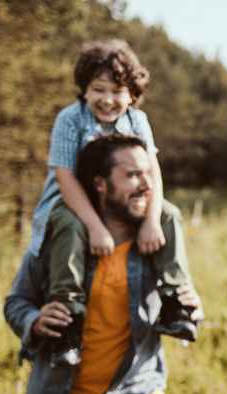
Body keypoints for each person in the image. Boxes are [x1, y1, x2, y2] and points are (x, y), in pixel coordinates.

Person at [5, 134, 201, 394]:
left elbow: (184, 298)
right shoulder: (61, 240)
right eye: (132, 176)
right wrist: (34, 320)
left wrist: (191, 306)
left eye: (148, 174)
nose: (146, 185)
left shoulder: (157, 239)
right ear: (100, 184)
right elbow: (16, 302)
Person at [27, 39, 197, 367]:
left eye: (117, 91)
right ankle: (68, 322)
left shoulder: (137, 121)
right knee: (68, 224)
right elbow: (65, 177)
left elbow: (153, 173)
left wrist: (149, 220)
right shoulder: (70, 119)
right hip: (73, 202)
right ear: (84, 90)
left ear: (132, 94)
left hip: (126, 199)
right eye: (98, 89)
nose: (107, 100)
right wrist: (94, 226)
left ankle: (176, 302)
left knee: (169, 215)